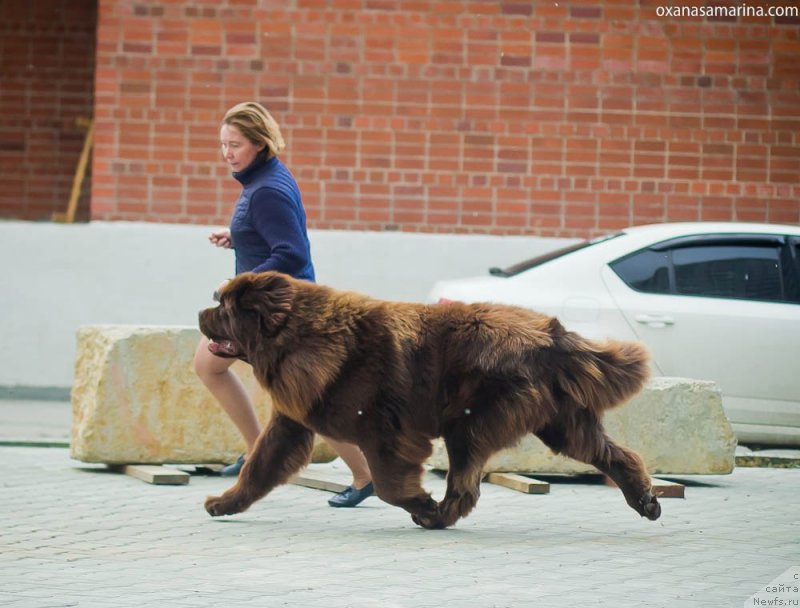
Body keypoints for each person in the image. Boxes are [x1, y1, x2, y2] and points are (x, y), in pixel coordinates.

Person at [193, 101, 373, 508]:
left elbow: (291, 253)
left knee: (310, 403)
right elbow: (273, 237)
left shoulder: (268, 190)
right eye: (223, 144)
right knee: (210, 365)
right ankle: (261, 454)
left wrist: (238, 284)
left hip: (280, 315)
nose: (227, 153)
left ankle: (366, 475)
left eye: (234, 144)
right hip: (261, 313)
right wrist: (239, 237)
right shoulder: (262, 180)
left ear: (259, 143)